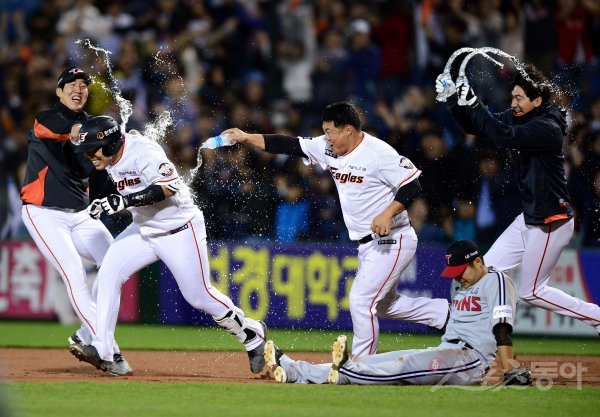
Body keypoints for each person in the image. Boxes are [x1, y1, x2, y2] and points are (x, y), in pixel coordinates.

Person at [223, 102, 449, 357]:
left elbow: (412, 185)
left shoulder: (378, 153)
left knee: (361, 300)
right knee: (384, 305)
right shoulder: (328, 147)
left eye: (330, 131)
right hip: (367, 244)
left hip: (393, 239)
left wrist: (388, 213)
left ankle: (363, 365)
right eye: (324, 131)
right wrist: (246, 137)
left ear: (348, 129)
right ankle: (443, 314)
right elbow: (289, 144)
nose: (326, 137)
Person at [68, 116, 267, 375]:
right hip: (144, 230)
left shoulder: (142, 151)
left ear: (109, 143)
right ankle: (103, 349)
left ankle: (252, 334)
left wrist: (123, 202)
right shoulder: (112, 154)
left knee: (199, 296)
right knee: (108, 273)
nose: (89, 156)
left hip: (179, 229)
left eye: (92, 149)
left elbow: (169, 187)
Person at [436, 63, 600, 332]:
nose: (513, 103)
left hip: (552, 220)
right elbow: (477, 126)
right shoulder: (520, 116)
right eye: (512, 97)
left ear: (537, 101)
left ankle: (597, 317)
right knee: (484, 271)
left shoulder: (548, 126)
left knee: (531, 291)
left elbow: (503, 135)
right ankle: (472, 336)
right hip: (530, 218)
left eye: (519, 98)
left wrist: (474, 102)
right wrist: (454, 99)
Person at [263, 240, 531, 386]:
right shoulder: (461, 284)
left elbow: (502, 326)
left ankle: (346, 373)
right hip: (448, 350)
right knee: (381, 360)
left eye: (461, 271)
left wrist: (508, 364)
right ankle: (296, 371)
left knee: (402, 368)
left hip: (469, 361)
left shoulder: (496, 280)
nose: (457, 277)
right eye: (454, 273)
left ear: (478, 262)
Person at [19, 66, 131, 375]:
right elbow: (69, 132)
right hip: (43, 212)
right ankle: (108, 349)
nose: (78, 88)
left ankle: (85, 334)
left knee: (116, 264)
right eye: (71, 84)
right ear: (59, 91)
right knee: (74, 274)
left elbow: (101, 167)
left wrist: (122, 145)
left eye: (83, 84)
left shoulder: (92, 129)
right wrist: (102, 133)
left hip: (81, 214)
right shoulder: (46, 118)